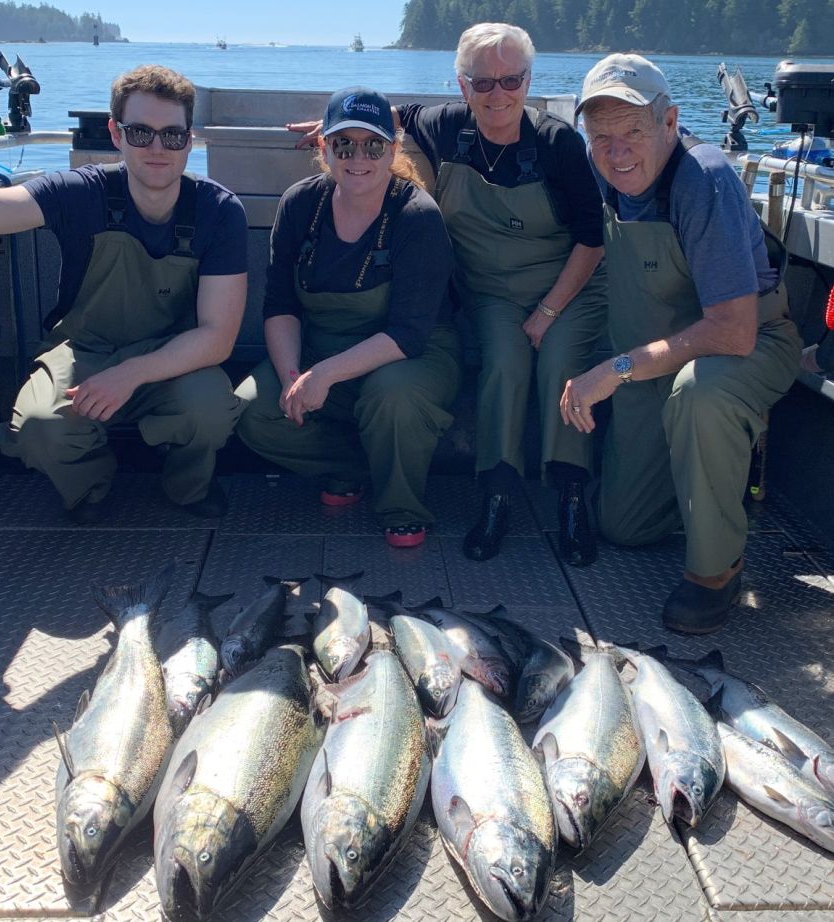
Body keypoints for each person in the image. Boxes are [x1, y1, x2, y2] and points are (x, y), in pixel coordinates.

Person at [566, 53, 802, 634]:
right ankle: (711, 480)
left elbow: (732, 330)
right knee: (624, 527)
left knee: (702, 396)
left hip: (750, 345)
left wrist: (614, 370)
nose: (617, 152)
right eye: (601, 138)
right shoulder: (606, 170)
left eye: (633, 132)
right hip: (660, 356)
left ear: (670, 122)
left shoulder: (705, 179)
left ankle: (715, 572)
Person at [0, 64, 248, 523]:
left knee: (211, 409)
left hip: (171, 358)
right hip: (84, 351)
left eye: (172, 135)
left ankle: (188, 485)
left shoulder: (219, 211)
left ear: (190, 140)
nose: (157, 148)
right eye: (141, 133)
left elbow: (217, 337)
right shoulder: (79, 192)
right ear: (116, 134)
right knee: (41, 427)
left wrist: (131, 374)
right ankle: (91, 487)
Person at [393, 22, 607, 566]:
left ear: (528, 82)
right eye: (482, 83)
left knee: (563, 366)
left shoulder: (559, 142)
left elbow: (592, 239)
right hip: (490, 295)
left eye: (511, 80)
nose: (498, 94)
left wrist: (548, 312)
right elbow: (396, 115)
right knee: (504, 365)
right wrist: (336, 127)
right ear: (462, 86)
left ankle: (572, 496)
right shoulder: (445, 126)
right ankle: (496, 495)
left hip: (569, 287)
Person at [234, 86, 461, 548]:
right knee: (252, 410)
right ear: (325, 147)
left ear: (393, 149)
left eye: (374, 144)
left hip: (412, 356)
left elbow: (408, 334)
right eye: (344, 144)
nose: (359, 157)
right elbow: (280, 306)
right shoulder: (299, 205)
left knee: (391, 394)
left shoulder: (416, 216)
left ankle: (401, 504)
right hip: (321, 348)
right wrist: (295, 379)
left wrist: (324, 376)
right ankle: (352, 466)